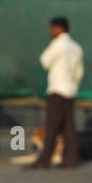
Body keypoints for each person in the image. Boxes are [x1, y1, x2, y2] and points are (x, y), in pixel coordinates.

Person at [35, 16, 83, 169]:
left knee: (52, 126)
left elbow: (45, 61)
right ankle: (70, 160)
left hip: (57, 90)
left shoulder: (57, 44)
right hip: (70, 90)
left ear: (58, 28)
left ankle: (44, 160)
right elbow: (79, 73)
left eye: (52, 28)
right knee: (69, 128)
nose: (51, 31)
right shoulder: (76, 47)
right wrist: (73, 86)